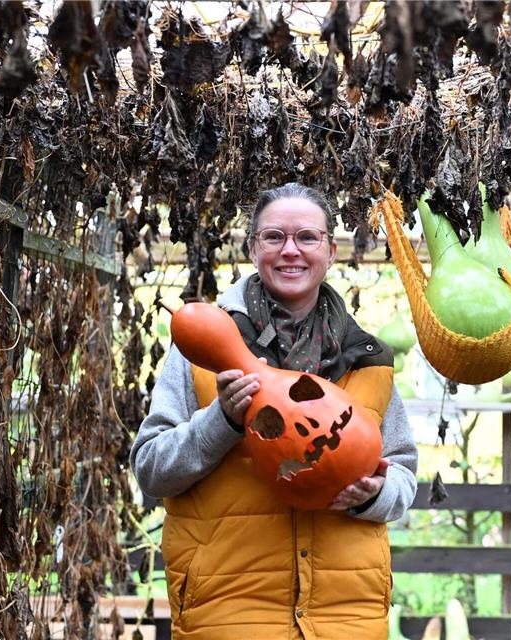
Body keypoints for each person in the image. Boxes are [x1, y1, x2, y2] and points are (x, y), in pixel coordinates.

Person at [130, 183, 418, 639]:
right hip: (230, 615)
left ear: (329, 250)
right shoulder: (202, 353)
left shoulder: (369, 359)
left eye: (307, 237)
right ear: (251, 248)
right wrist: (222, 420)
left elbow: (403, 473)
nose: (290, 251)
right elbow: (150, 470)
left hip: (346, 618)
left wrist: (374, 494)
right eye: (273, 237)